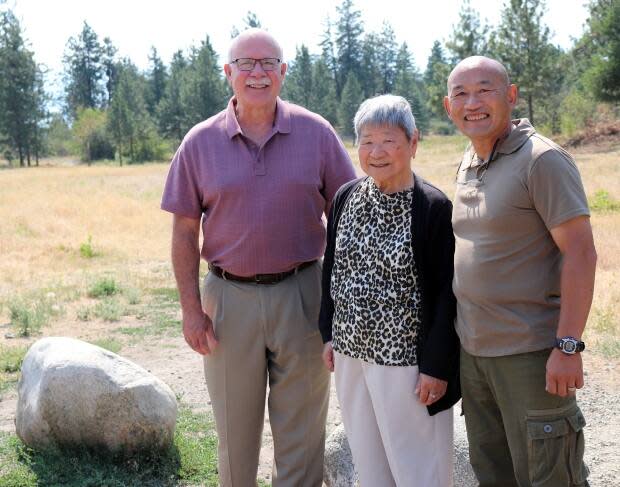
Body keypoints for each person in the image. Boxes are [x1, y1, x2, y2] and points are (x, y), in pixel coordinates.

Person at [161, 28, 356, 487]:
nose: (257, 73)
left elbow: (346, 217)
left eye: (268, 63)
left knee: (303, 435)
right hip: (228, 301)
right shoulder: (199, 142)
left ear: (284, 72)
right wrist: (191, 310)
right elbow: (185, 232)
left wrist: (342, 305)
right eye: (245, 64)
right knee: (235, 435)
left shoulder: (317, 133)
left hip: (304, 294)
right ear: (228, 73)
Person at [444, 56, 597, 487]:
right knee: (494, 473)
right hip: (475, 355)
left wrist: (568, 347)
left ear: (511, 96)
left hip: (530, 355)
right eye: (461, 93)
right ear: (447, 106)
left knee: (550, 475)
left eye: (485, 89)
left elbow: (581, 255)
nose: (473, 102)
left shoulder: (542, 160)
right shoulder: (468, 161)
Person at [319, 94, 460, 487]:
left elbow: (448, 293)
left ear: (413, 143)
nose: (376, 152)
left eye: (388, 140)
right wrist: (328, 332)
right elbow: (333, 268)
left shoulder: (431, 206)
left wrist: (436, 366)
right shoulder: (346, 197)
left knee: (419, 468)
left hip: (407, 364)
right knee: (369, 461)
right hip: (350, 354)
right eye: (366, 140)